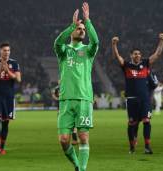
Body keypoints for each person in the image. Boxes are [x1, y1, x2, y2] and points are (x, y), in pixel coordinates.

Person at [53, 2, 99, 171]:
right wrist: (72, 24)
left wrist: (87, 21)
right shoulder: (64, 51)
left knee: (83, 136)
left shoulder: (88, 51)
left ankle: (82, 169)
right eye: (79, 29)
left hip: (84, 98)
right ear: (72, 31)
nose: (82, 31)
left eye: (83, 30)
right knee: (64, 140)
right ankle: (76, 164)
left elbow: (96, 41)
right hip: (65, 99)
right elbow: (57, 42)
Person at [112, 33, 163, 154]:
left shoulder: (145, 64)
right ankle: (132, 147)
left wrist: (162, 41)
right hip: (131, 100)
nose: (138, 55)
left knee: (147, 121)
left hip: (145, 99)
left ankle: (147, 146)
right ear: (131, 55)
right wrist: (114, 44)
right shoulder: (126, 66)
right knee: (132, 123)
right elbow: (117, 56)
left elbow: (157, 54)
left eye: (139, 54)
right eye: (135, 54)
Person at [0, 42, 21, 155]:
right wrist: (0, 71)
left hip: (9, 97)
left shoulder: (14, 63)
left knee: (5, 123)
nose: (6, 52)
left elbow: (18, 79)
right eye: (4, 50)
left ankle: (2, 147)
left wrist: (7, 71)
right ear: (0, 51)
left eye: (8, 50)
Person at [51, 81, 78, 145]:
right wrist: (58, 98)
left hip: (68, 106)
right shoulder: (57, 88)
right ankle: (69, 138)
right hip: (61, 106)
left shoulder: (67, 87)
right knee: (64, 122)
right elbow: (53, 95)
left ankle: (74, 139)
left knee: (71, 124)